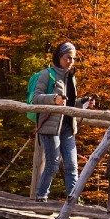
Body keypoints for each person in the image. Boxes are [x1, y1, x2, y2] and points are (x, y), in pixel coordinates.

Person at [28, 42, 91, 201]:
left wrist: (83, 102)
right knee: (53, 164)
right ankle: (41, 197)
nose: (71, 61)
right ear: (59, 57)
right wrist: (53, 99)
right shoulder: (46, 74)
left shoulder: (71, 77)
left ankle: (73, 201)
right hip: (49, 126)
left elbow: (68, 104)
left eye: (73, 58)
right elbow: (35, 99)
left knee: (72, 165)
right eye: (67, 58)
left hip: (68, 126)